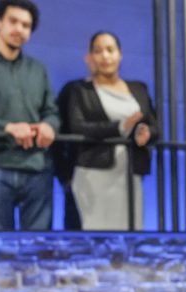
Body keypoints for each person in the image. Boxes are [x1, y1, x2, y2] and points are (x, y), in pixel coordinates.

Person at [0, 0, 59, 230]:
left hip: (37, 164)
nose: (19, 29)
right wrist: (7, 128)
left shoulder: (38, 69)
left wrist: (49, 125)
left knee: (38, 242)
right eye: (13, 21)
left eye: (26, 25)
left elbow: (51, 111)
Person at [64, 31, 154, 231]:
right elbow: (77, 126)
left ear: (120, 54)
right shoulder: (79, 90)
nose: (105, 56)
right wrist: (119, 127)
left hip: (130, 172)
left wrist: (145, 132)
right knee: (97, 232)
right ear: (89, 57)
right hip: (94, 172)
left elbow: (154, 125)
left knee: (131, 230)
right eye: (98, 51)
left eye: (110, 50)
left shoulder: (139, 88)